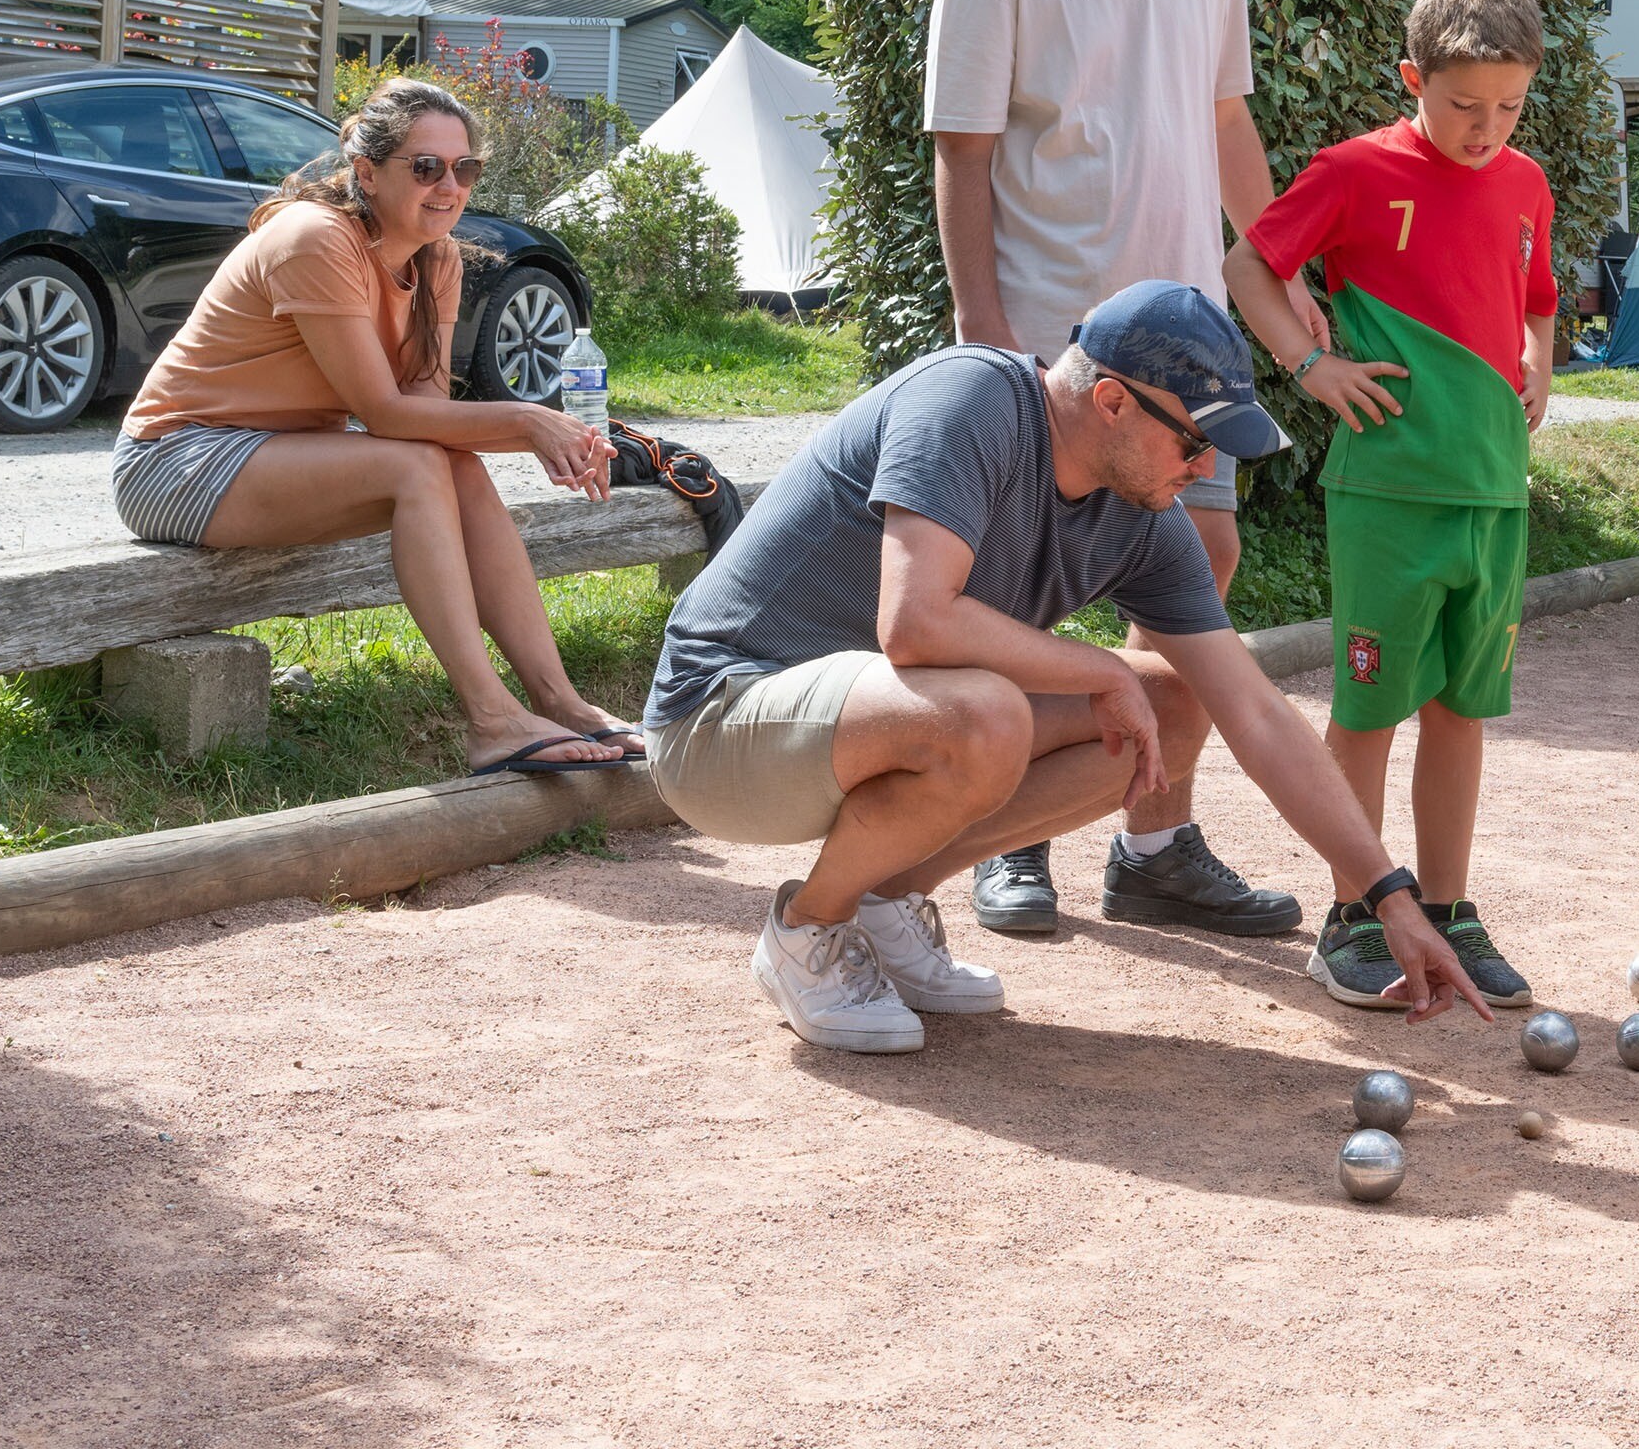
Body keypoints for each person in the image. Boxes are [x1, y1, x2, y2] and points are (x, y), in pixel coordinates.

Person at [637, 279, 1490, 1054]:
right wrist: (1100, 669)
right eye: (1195, 442)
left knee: (1177, 701)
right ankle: (805, 930)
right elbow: (916, 621)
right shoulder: (971, 398)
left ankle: (883, 901)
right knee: (989, 713)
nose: (1204, 470)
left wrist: (1388, 897)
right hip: (718, 722)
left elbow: (1254, 712)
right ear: (1113, 401)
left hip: (857, 725)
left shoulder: (1145, 517)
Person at [923, 0, 1325, 939]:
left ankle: (1155, 842)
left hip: (1191, 340)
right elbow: (964, 156)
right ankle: (1011, 840)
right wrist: (984, 332)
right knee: (1021, 599)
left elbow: (1226, 124)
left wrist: (1280, 270)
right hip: (1053, 345)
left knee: (1197, 575)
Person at [114, 79, 639, 776]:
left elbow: (427, 421)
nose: (448, 186)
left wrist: (558, 436)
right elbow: (386, 415)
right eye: (425, 168)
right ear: (367, 172)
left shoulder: (439, 258)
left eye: (465, 169)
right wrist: (529, 422)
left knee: (450, 464)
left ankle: (561, 700)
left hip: (282, 458)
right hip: (176, 462)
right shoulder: (312, 239)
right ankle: (490, 719)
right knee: (415, 466)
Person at [1223, 0, 1556, 1011]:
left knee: (1463, 710)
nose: (1485, 127)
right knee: (1368, 709)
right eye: (1463, 105)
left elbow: (1538, 297)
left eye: (1508, 106)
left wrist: (1543, 351)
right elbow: (1249, 266)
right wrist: (1304, 363)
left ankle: (1449, 906)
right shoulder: (1356, 169)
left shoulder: (1527, 183)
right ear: (1414, 76)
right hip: (1388, 491)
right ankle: (1352, 914)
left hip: (1493, 488)